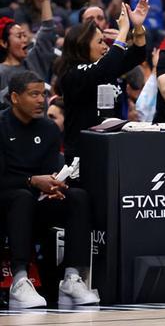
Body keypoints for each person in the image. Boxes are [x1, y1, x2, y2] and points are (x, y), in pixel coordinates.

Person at [0, 72, 98, 308]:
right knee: (22, 197)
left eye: (43, 94)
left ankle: (72, 279)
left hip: (38, 199)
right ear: (15, 97)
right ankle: (20, 280)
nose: (40, 100)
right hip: (7, 199)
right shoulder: (1, 126)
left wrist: (55, 185)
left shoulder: (49, 129)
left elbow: (50, 170)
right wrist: (32, 181)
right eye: (33, 94)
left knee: (77, 196)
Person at [57, 0, 148, 162]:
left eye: (104, 41)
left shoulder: (105, 67)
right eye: (100, 42)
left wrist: (138, 27)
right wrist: (123, 31)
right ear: (83, 45)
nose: (105, 46)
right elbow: (104, 68)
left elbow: (138, 54)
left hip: (112, 149)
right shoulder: (72, 74)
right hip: (83, 155)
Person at [0, 0, 57, 93]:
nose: (24, 40)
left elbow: (47, 30)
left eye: (25, 35)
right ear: (4, 43)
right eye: (19, 36)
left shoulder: (33, 60)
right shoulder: (1, 73)